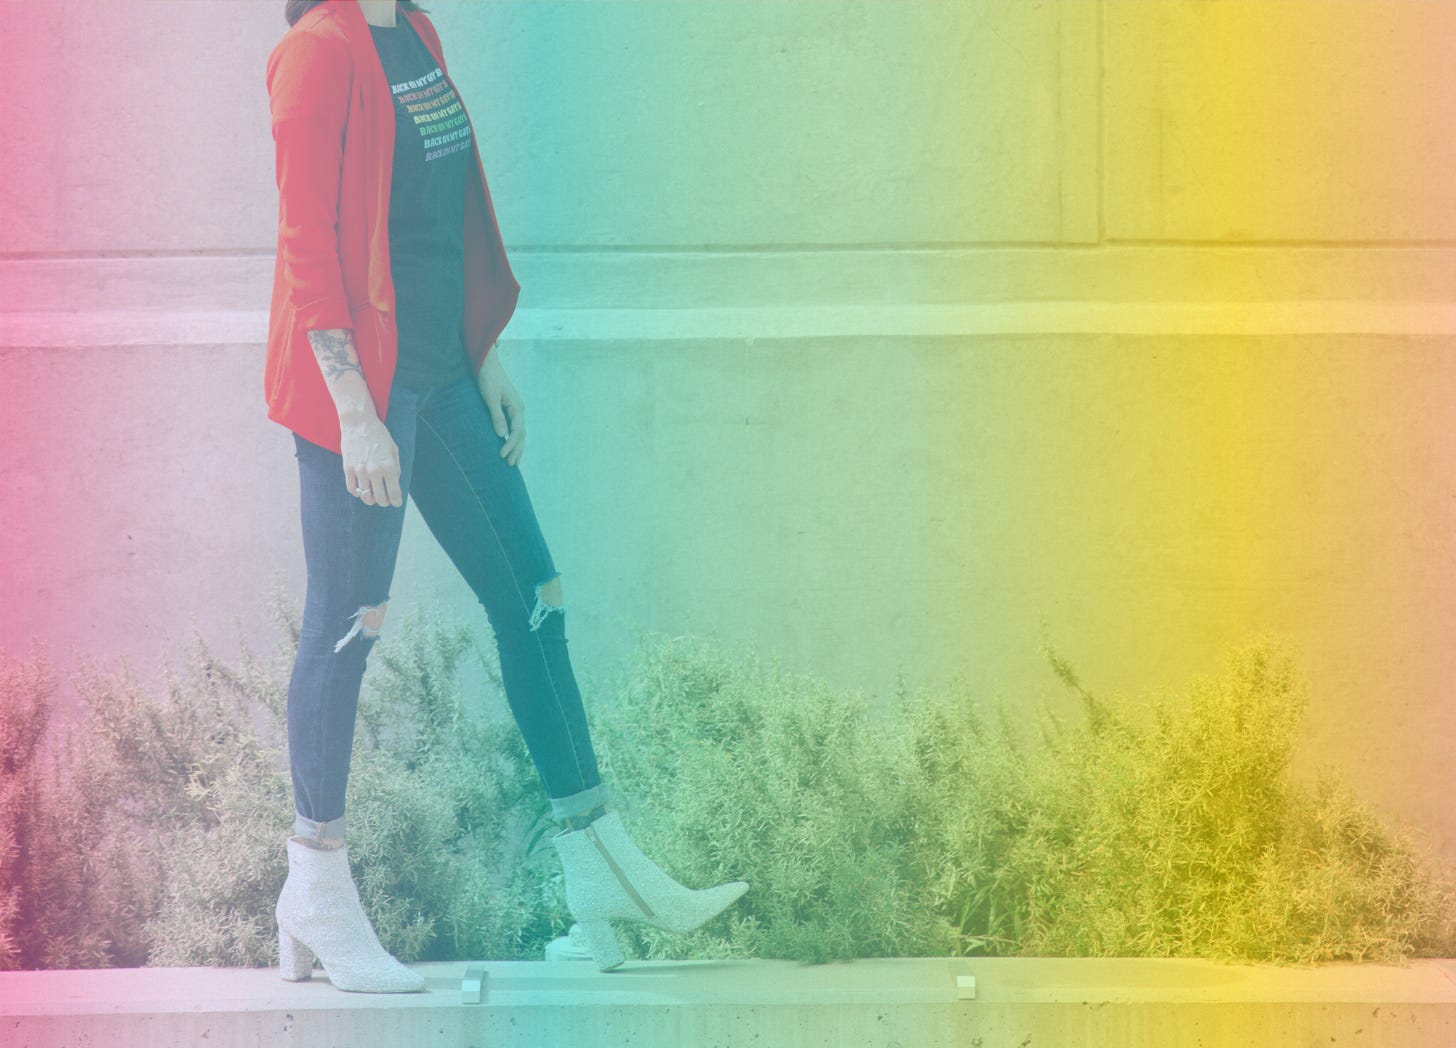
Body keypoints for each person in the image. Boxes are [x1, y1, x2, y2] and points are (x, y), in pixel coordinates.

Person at [264, 0, 746, 992]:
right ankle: (314, 885)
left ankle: (599, 874)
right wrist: (352, 406)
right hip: (366, 391)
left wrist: (481, 352)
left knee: (534, 596)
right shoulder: (314, 53)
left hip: (441, 375)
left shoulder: (419, 38)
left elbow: (442, 221)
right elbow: (306, 240)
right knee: (347, 625)